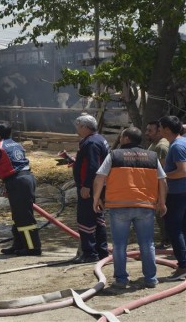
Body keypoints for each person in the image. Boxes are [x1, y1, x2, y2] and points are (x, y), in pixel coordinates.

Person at [92, 127, 167, 289]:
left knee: (119, 245)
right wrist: (162, 202)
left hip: (119, 206)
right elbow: (163, 181)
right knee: (147, 244)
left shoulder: (114, 155)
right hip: (145, 205)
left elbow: (99, 178)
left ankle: (121, 280)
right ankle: (151, 279)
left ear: (125, 138)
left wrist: (96, 199)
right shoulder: (152, 156)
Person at [0, 121, 41, 256]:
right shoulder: (15, 144)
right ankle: (18, 245)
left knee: (24, 217)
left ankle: (32, 248)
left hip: (18, 181)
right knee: (19, 215)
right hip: (26, 178)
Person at [72, 114, 110, 263]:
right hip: (98, 186)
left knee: (86, 219)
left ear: (85, 127)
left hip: (91, 187)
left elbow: (94, 166)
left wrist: (86, 185)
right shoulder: (99, 139)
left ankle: (90, 253)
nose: (77, 129)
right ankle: (102, 252)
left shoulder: (91, 143)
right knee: (97, 218)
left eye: (78, 126)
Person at [158, 115, 186, 280]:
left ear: (167, 130)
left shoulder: (176, 147)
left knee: (174, 230)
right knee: (182, 228)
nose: (159, 130)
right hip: (182, 193)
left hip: (178, 194)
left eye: (161, 127)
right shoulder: (182, 142)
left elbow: (182, 171)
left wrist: (162, 175)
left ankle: (183, 266)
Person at [146, 120, 171, 248]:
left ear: (159, 132)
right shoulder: (154, 144)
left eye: (150, 131)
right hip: (155, 186)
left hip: (162, 187)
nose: (147, 133)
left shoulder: (161, 146)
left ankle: (167, 240)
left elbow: (163, 172)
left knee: (162, 213)